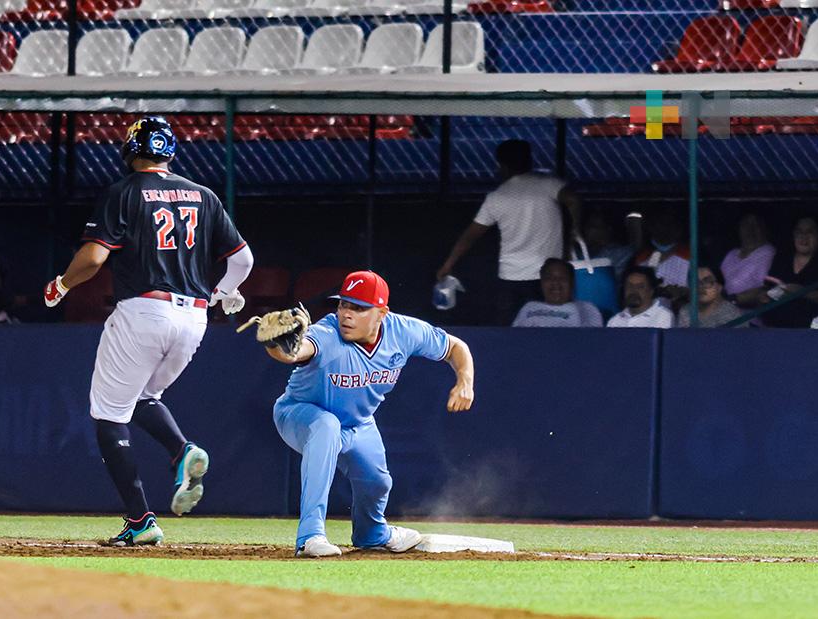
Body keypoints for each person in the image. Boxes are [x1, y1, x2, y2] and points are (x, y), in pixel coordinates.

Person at [42, 116, 254, 547]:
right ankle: (180, 450)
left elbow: (94, 258)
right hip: (195, 318)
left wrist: (61, 284)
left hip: (144, 309)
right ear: (170, 151)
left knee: (107, 414)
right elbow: (243, 260)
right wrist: (223, 292)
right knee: (139, 398)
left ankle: (140, 520)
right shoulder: (204, 195)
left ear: (129, 151)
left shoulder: (124, 192)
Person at [257, 270, 475, 558]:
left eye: (358, 308)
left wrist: (465, 381)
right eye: (343, 304)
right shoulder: (328, 332)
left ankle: (372, 533)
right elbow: (294, 352)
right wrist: (275, 344)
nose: (347, 314)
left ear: (381, 313)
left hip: (358, 424)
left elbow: (455, 347)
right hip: (300, 414)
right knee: (326, 426)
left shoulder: (404, 332)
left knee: (378, 482)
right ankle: (310, 536)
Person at [436, 139, 580, 325]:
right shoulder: (550, 184)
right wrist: (574, 234)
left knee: (510, 331)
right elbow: (574, 200)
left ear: (501, 165)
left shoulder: (497, 197)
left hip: (511, 276)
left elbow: (470, 236)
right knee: (548, 326)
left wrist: (448, 265)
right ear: (530, 160)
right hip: (547, 277)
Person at [761, 215, 818, 328]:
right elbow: (768, 288)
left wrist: (802, 292)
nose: (803, 237)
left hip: (810, 333)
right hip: (774, 329)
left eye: (809, 232)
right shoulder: (782, 258)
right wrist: (763, 295)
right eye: (799, 232)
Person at [512, 258, 603, 327]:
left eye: (562, 278)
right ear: (542, 283)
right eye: (549, 278)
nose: (555, 282)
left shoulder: (587, 308)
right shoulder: (529, 308)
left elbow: (593, 341)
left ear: (572, 283)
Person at [632, 208, 690, 307]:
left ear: (679, 228)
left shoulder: (692, 255)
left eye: (670, 223)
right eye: (660, 223)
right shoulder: (640, 258)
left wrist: (682, 292)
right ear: (650, 227)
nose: (665, 227)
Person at [720, 212, 775, 310]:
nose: (750, 229)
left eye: (755, 225)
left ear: (763, 228)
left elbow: (764, 289)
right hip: (722, 313)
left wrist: (733, 299)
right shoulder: (732, 254)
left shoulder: (767, 252)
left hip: (748, 319)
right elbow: (718, 282)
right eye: (745, 224)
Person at [607, 266, 675, 328]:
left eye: (640, 287)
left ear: (651, 291)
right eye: (630, 286)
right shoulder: (614, 321)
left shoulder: (663, 316)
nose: (633, 290)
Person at [675, 265, 743, 328]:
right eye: (695, 282)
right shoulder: (685, 311)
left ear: (719, 287)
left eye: (707, 281)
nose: (700, 286)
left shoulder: (732, 315)